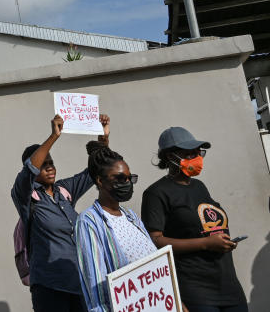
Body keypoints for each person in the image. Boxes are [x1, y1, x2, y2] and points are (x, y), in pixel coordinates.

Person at [11, 114, 110, 312]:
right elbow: (29, 170)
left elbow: (92, 172)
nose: (49, 168)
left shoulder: (64, 191)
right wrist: (53, 136)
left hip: (79, 283)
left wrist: (103, 139)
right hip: (50, 287)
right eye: (43, 164)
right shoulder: (26, 196)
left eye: (51, 162)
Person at [141, 127, 247, 312]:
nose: (197, 158)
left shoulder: (199, 186)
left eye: (198, 153)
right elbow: (155, 241)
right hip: (197, 291)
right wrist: (206, 243)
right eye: (189, 154)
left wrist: (223, 241)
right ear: (169, 156)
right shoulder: (156, 193)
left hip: (228, 286)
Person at [75, 142, 157, 312]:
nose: (127, 182)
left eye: (129, 178)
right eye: (120, 178)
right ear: (100, 180)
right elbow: (95, 286)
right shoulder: (89, 221)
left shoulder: (131, 217)